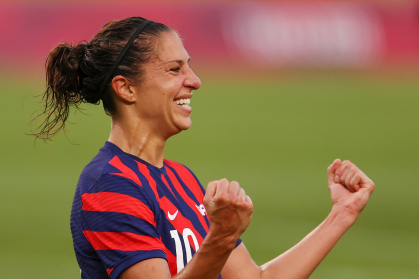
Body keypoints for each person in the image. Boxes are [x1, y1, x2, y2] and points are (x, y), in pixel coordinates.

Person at [34, 17, 375, 279]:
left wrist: (341, 214)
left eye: (189, 66)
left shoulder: (181, 178)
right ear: (126, 88)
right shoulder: (109, 185)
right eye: (174, 69)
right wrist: (222, 237)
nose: (195, 80)